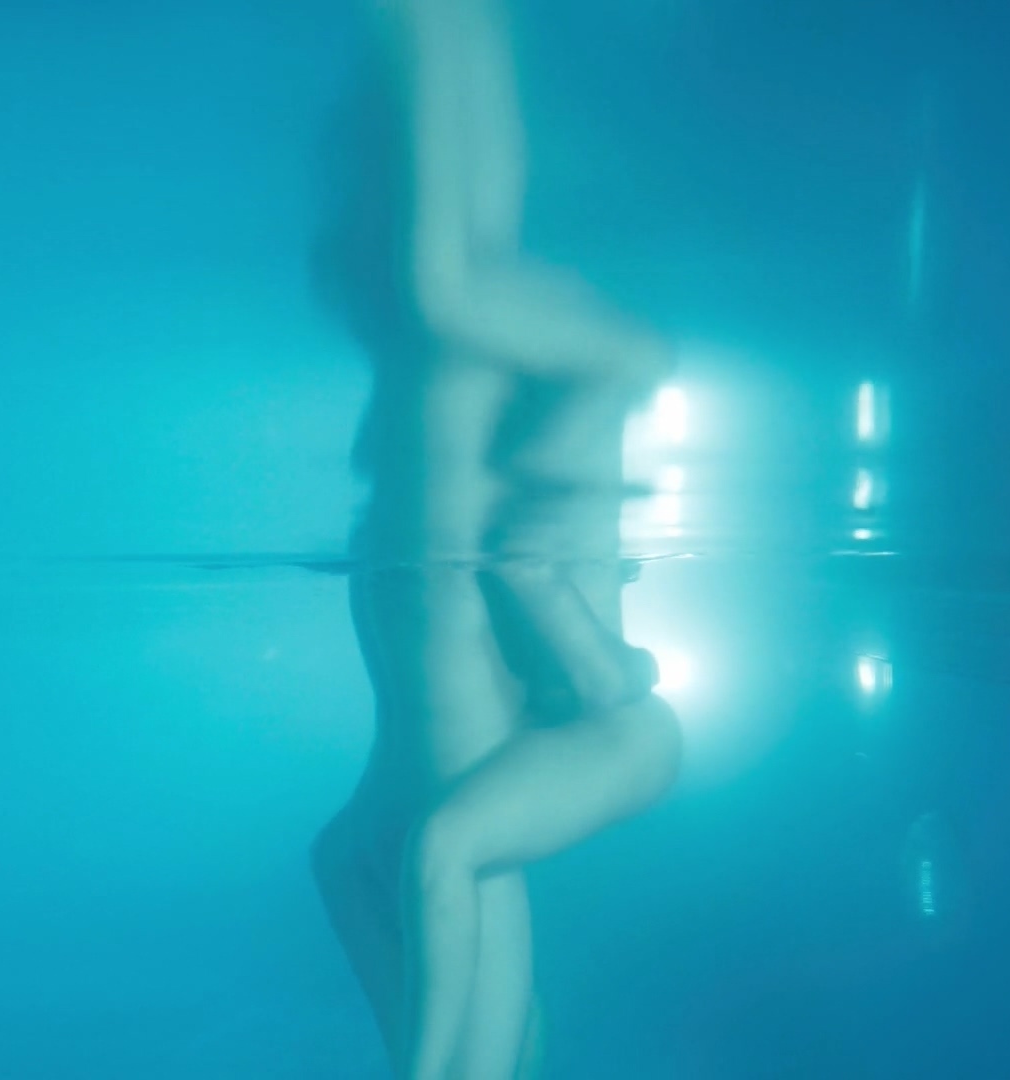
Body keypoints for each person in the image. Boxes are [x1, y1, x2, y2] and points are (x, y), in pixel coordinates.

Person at [308, 1, 685, 1077]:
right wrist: (541, 585)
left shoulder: (389, 837)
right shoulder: (574, 710)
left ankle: (451, 24)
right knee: (445, 287)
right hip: (599, 694)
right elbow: (611, 679)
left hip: (513, 673)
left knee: (438, 290)